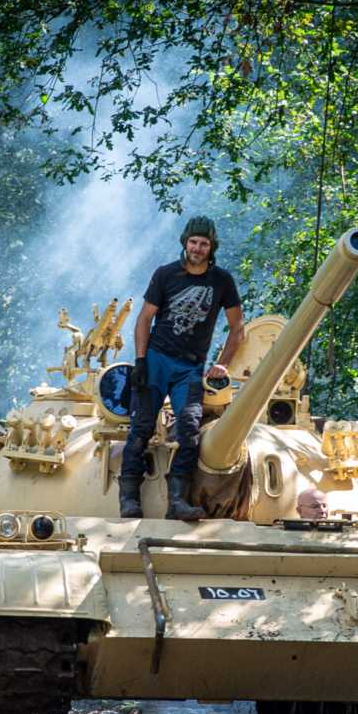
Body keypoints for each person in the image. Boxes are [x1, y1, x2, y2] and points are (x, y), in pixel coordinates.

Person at [119, 216, 245, 521]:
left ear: (211, 246)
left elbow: (238, 327)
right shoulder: (166, 274)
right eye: (193, 242)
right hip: (157, 358)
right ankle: (128, 498)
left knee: (189, 431)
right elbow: (144, 318)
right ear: (185, 243)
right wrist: (140, 360)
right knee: (140, 429)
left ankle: (177, 500)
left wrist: (222, 364)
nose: (198, 248)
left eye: (203, 243)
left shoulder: (222, 281)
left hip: (190, 367)